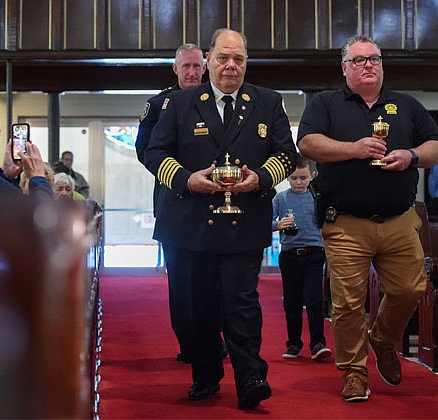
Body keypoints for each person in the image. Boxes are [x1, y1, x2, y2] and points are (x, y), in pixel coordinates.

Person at [144, 28, 297, 410]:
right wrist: (185, 179)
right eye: (224, 58)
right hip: (188, 223)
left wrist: (260, 178)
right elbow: (154, 152)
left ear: (247, 62)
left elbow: (287, 155)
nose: (231, 66)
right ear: (208, 58)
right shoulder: (177, 104)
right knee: (197, 306)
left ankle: (251, 377)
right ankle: (206, 376)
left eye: (239, 59)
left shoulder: (268, 102)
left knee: (241, 302)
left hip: (243, 222)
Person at [297, 34, 438, 402]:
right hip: (346, 221)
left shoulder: (405, 105)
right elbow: (308, 144)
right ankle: (354, 372)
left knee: (412, 289)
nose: (368, 65)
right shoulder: (326, 104)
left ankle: (381, 338)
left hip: (399, 219)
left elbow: (436, 147)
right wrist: (354, 148)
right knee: (347, 302)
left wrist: (411, 155)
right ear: (344, 68)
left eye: (374, 59)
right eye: (359, 60)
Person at [135, 42, 206, 364]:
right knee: (181, 282)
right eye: (186, 66)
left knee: (216, 282)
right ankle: (191, 344)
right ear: (175, 69)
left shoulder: (220, 103)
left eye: (196, 66)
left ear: (205, 68)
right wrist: (183, 176)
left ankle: (215, 340)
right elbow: (145, 152)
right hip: (174, 202)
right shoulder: (159, 104)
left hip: (218, 205)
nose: (191, 72)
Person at [271, 156, 331, 361]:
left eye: (303, 178)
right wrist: (277, 225)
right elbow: (266, 221)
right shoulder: (281, 199)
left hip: (315, 253)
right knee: (292, 301)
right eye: (294, 178)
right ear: (287, 178)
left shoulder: (318, 198)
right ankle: (294, 343)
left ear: (312, 176)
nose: (298, 182)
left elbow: (329, 222)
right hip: (289, 254)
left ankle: (318, 343)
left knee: (314, 299)